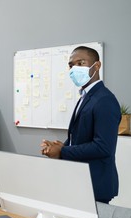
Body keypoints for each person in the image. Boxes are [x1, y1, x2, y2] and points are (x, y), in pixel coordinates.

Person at [41, 46, 121, 204]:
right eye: (71, 65)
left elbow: (103, 147)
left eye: (81, 63)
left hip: (95, 183)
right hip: (80, 181)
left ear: (96, 66)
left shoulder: (104, 99)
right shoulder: (85, 97)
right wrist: (56, 147)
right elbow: (78, 138)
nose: (74, 68)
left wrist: (63, 151)